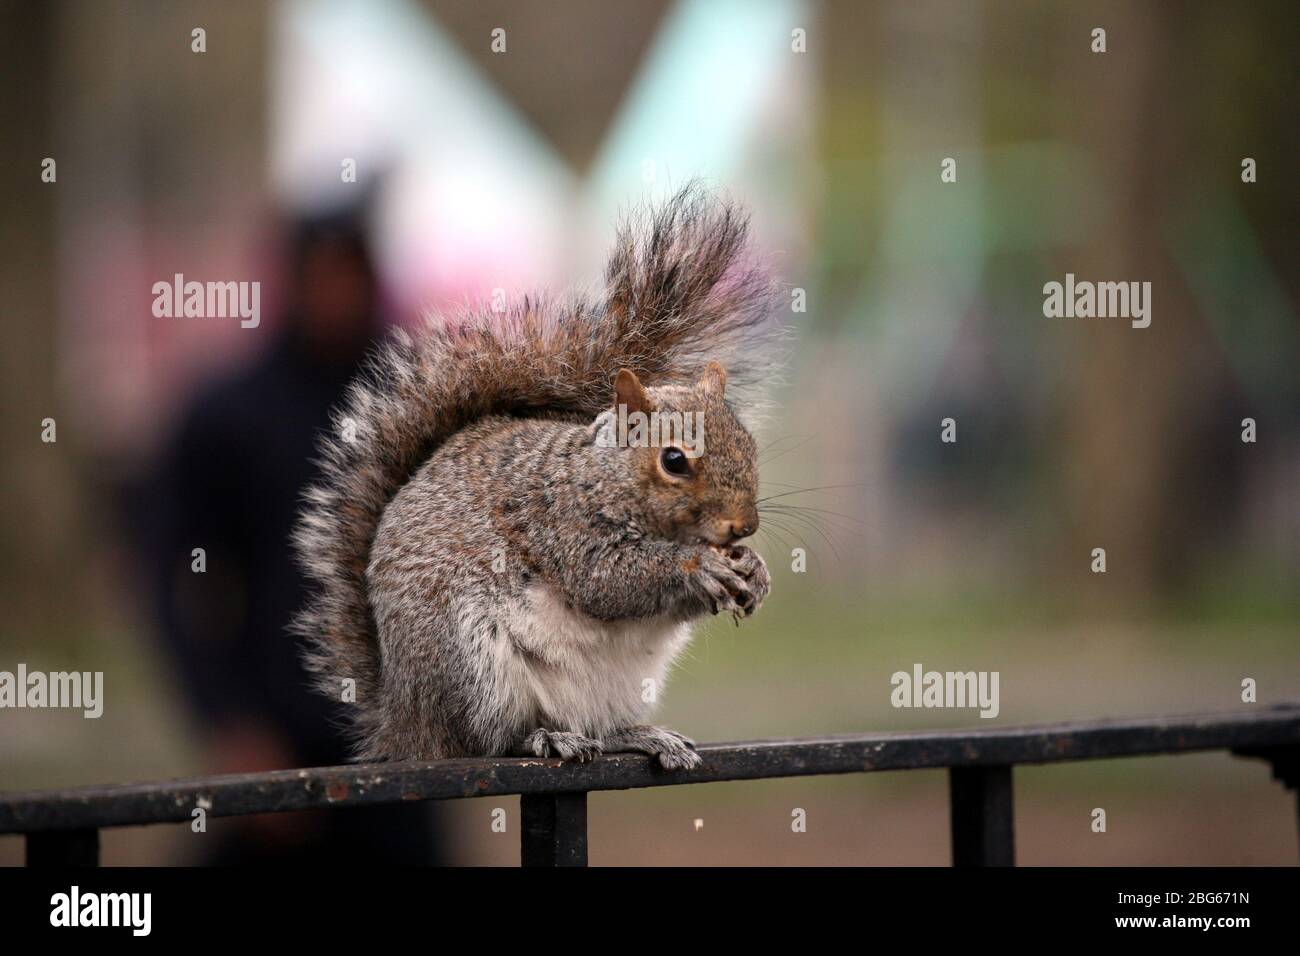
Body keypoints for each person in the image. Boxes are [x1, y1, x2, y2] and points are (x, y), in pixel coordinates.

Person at [142, 209, 442, 864]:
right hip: (276, 737)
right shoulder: (228, 413)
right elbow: (174, 575)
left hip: (396, 749)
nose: (335, 296)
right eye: (320, 276)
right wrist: (226, 720)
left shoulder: (419, 402)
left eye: (349, 276)